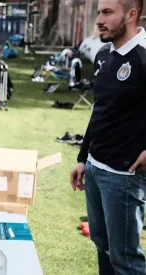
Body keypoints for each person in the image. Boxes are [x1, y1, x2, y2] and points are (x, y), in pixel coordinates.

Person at [70, 0, 146, 274]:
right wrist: (83, 158)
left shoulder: (143, 57)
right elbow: (100, 111)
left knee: (125, 260)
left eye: (107, 12)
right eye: (99, 12)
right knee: (101, 244)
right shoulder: (104, 54)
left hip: (124, 177)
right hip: (95, 168)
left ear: (131, 15)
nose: (98, 20)